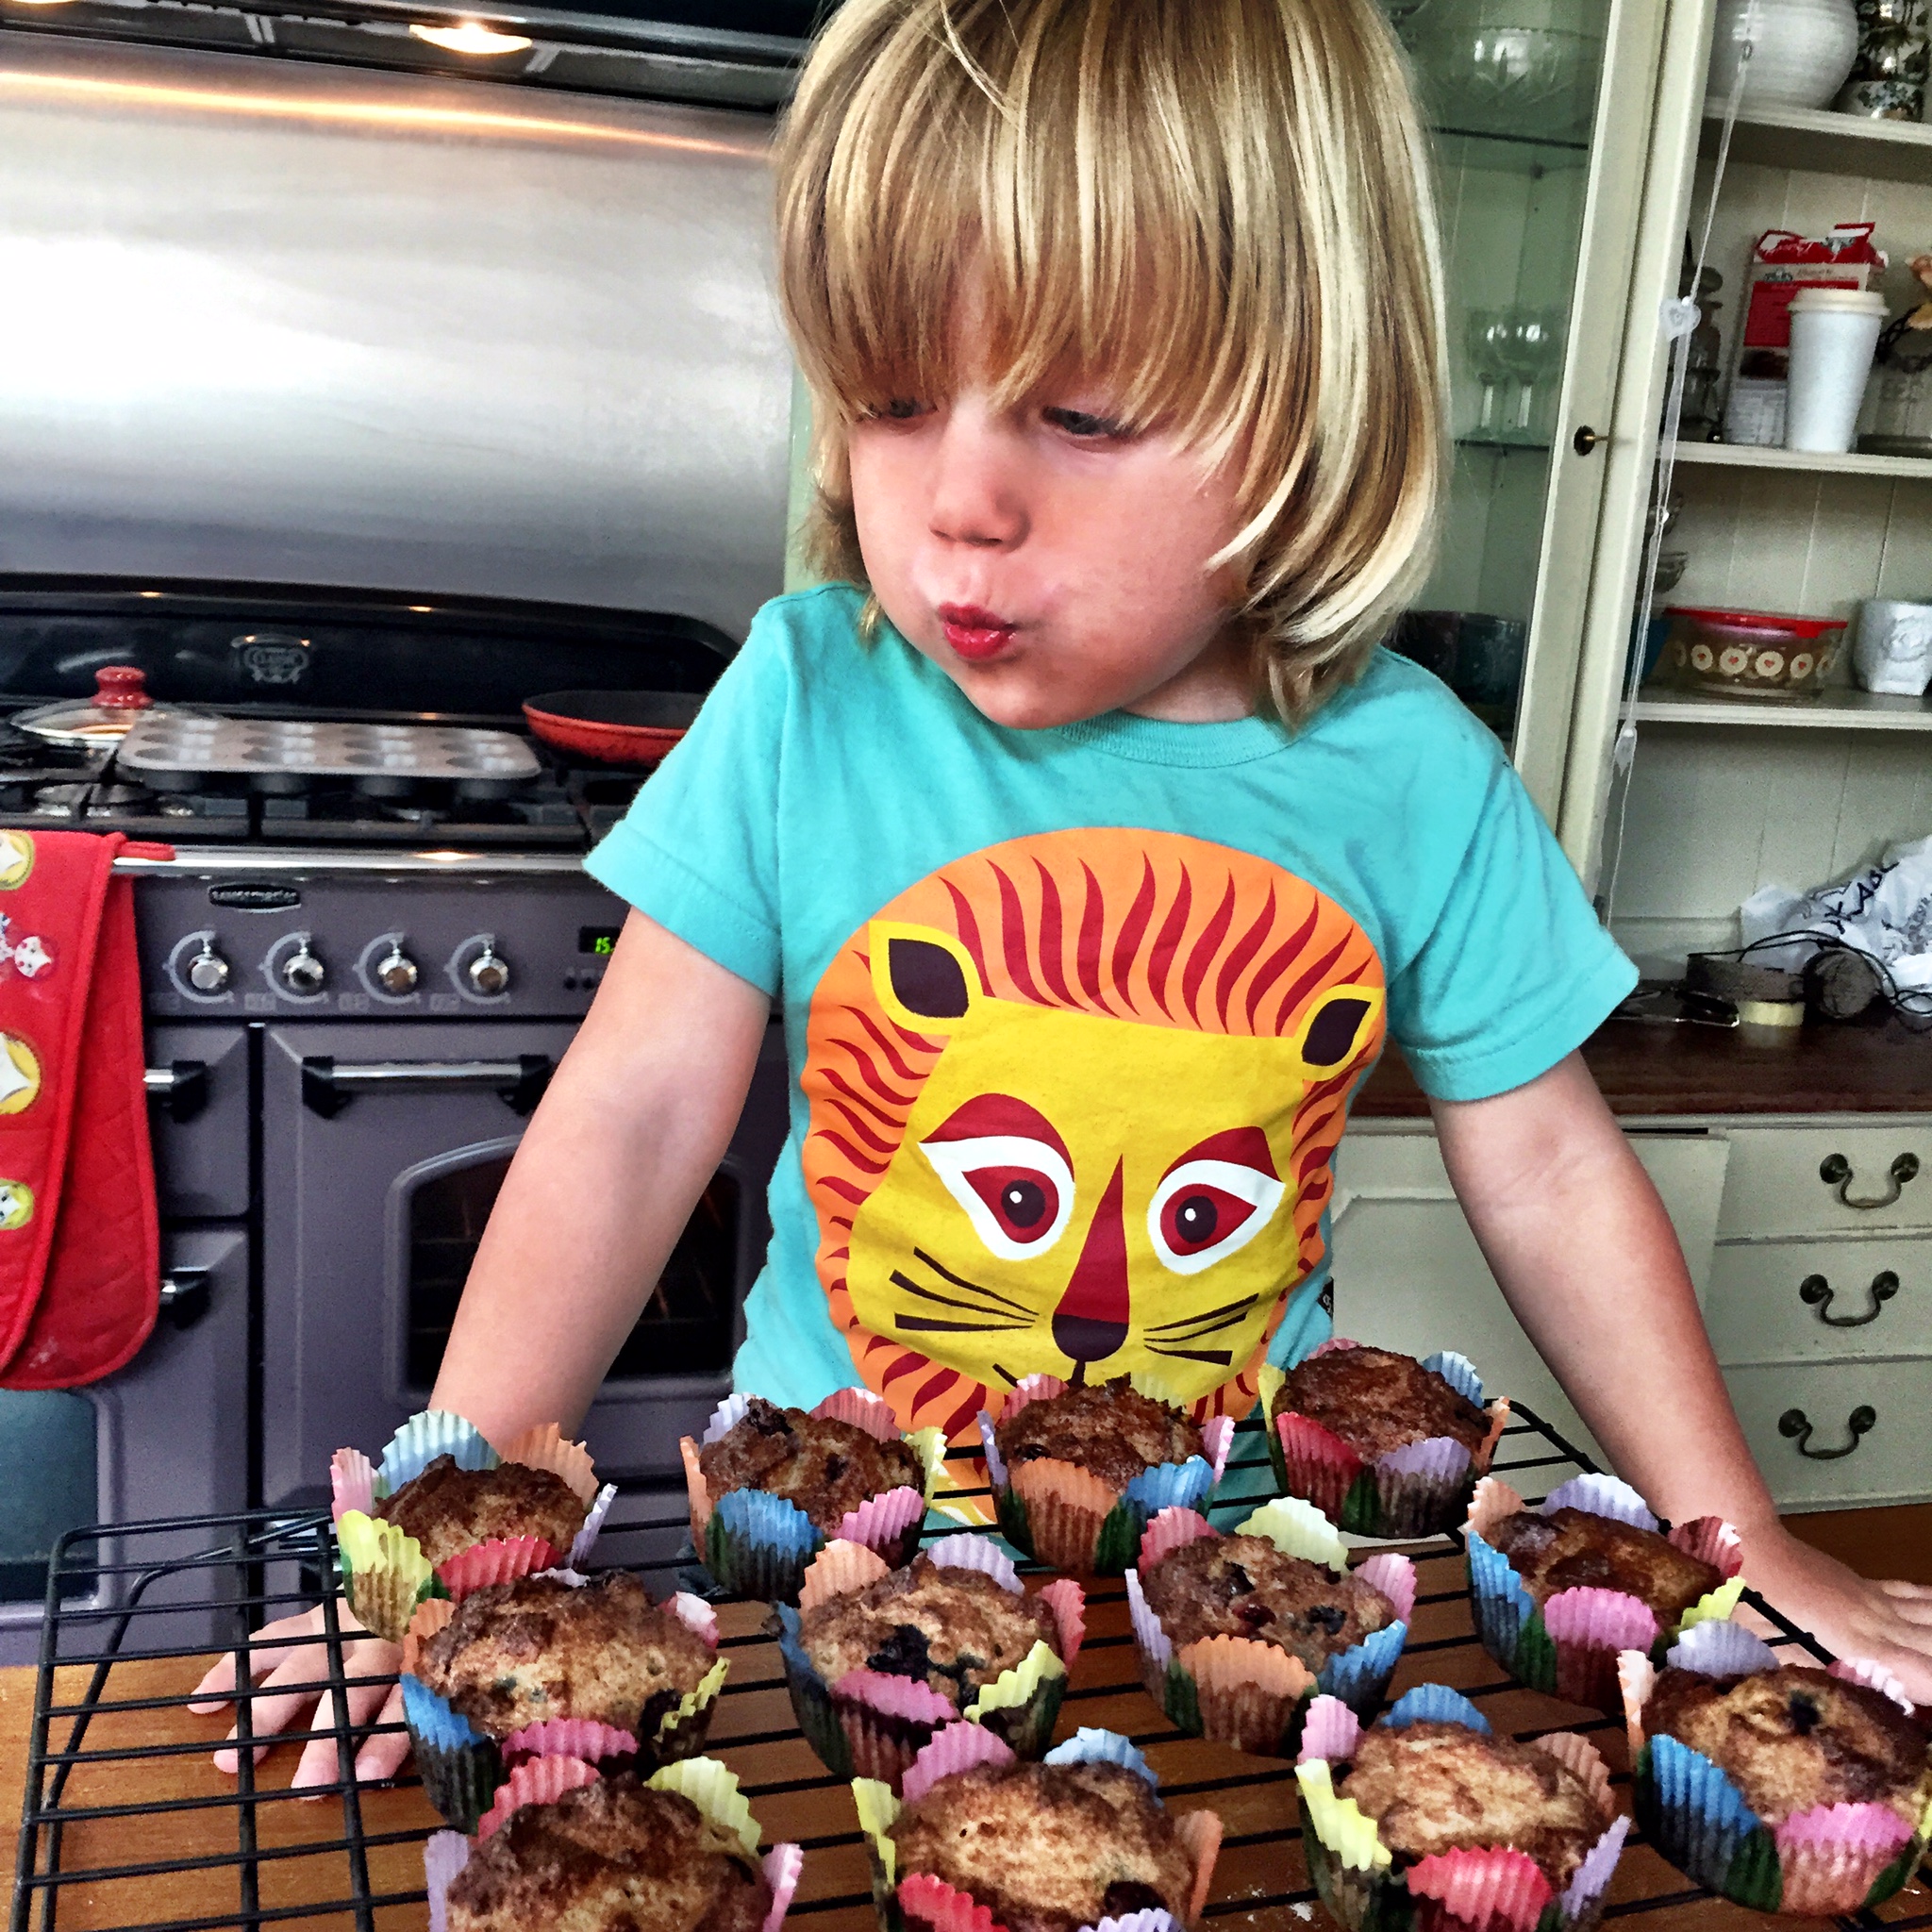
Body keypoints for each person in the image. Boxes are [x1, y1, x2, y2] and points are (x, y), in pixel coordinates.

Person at [192, 0, 1932, 1784]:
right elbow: (628, 1123)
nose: (957, 501)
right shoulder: (806, 698)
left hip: (1230, 1615)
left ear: (1310, 403)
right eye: (889, 399)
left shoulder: (1413, 772)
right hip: (833, 1587)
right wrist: (435, 1563)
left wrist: (1748, 1549)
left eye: (1083, 412)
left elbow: (1555, 1173)